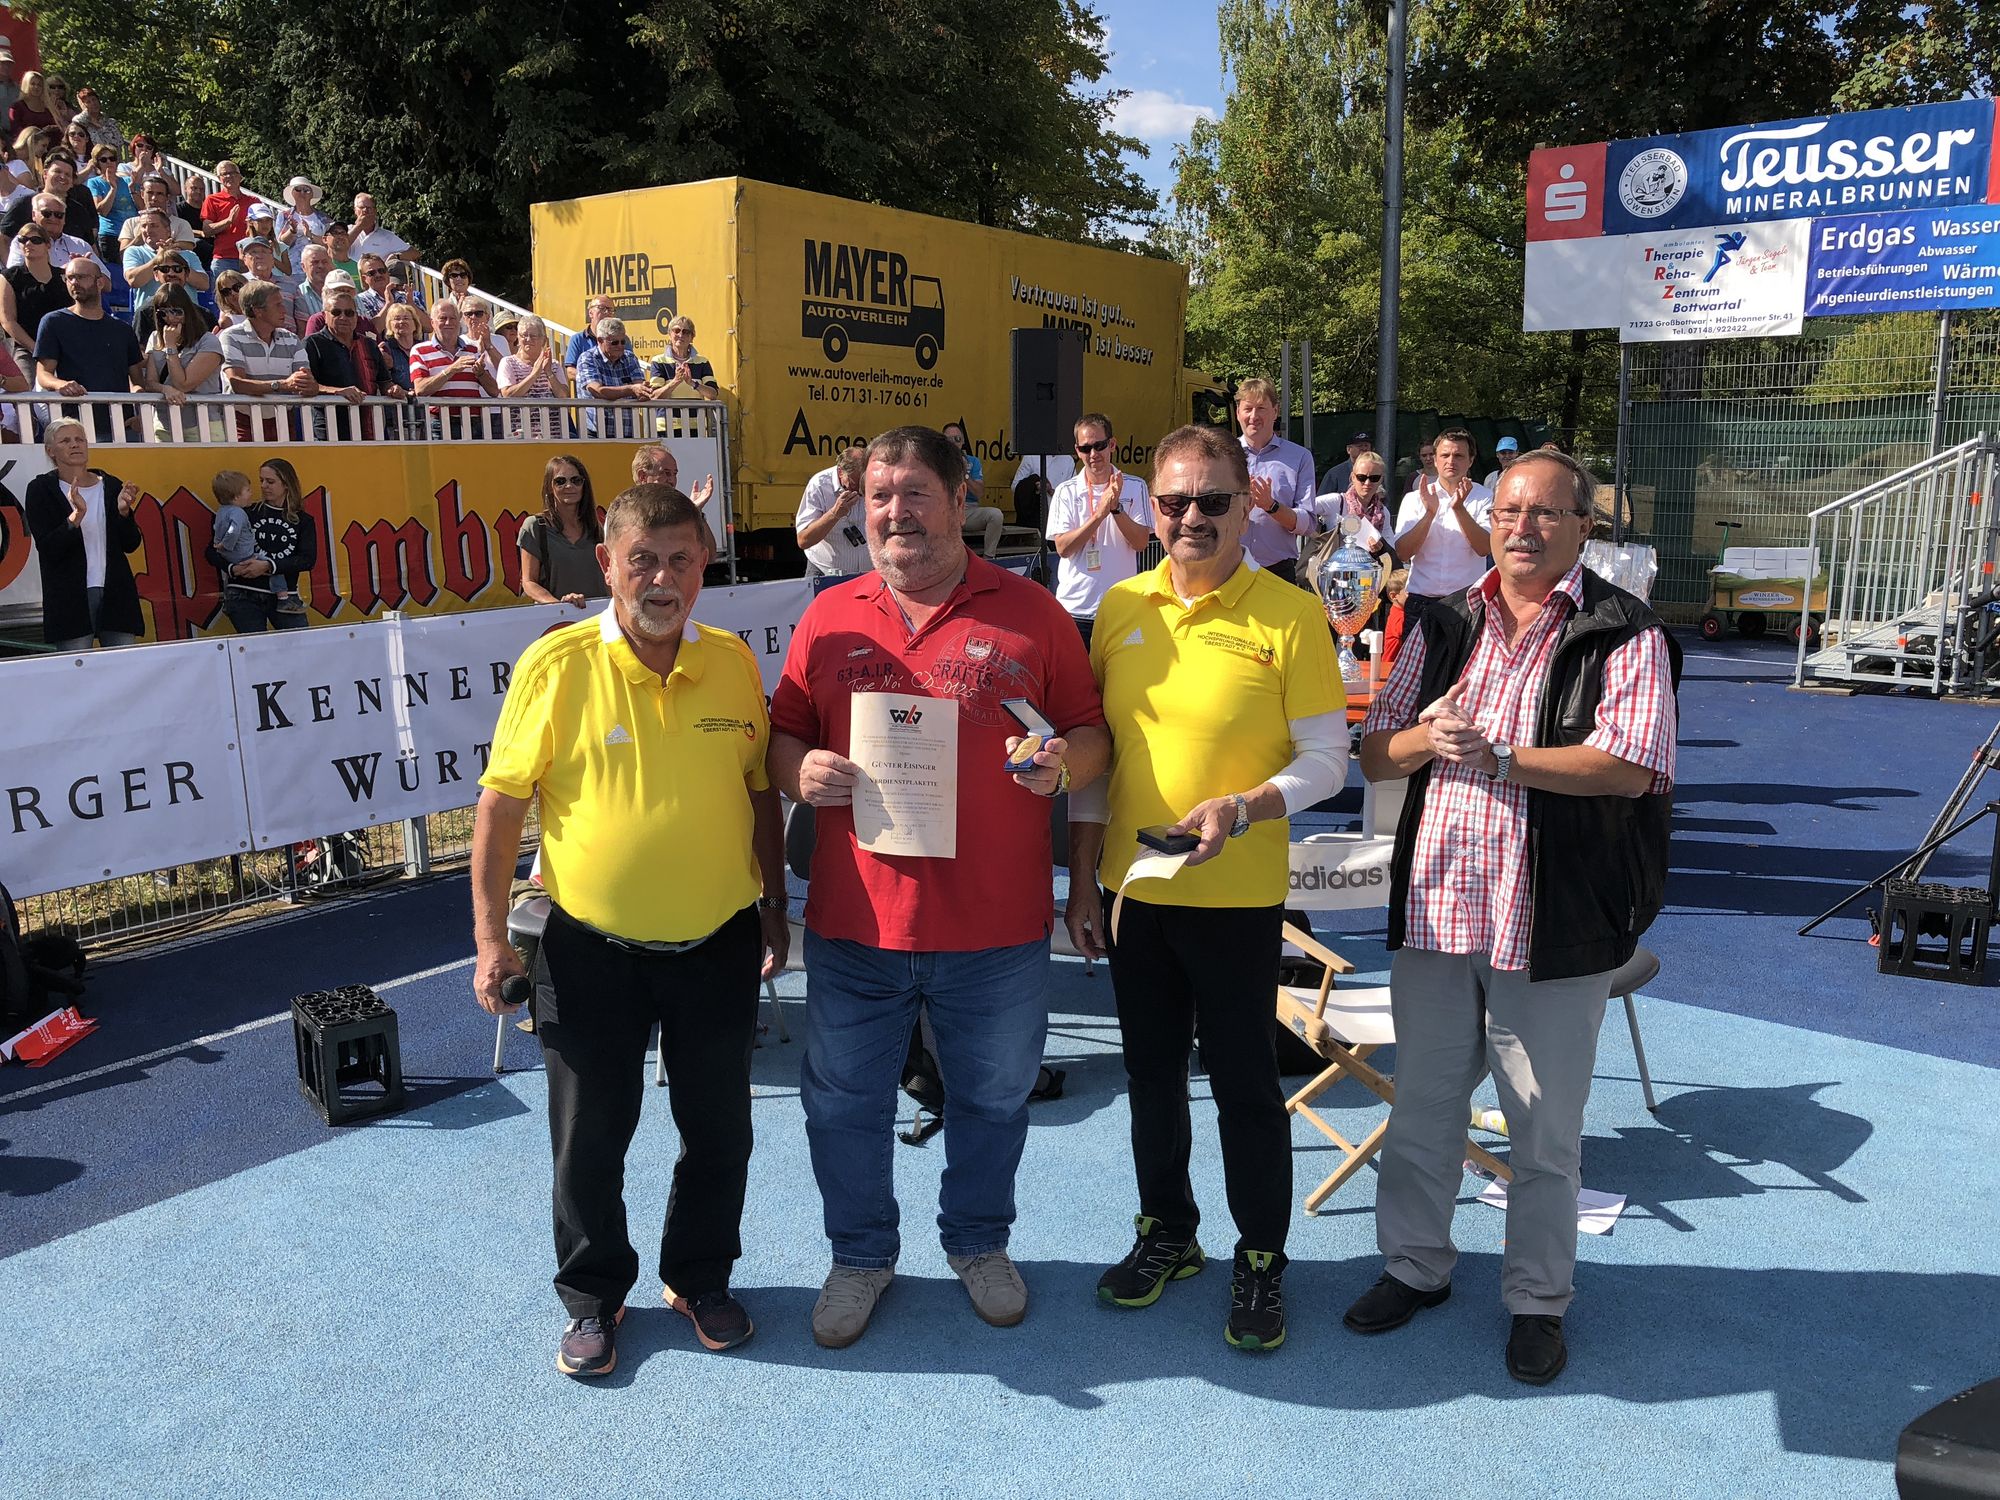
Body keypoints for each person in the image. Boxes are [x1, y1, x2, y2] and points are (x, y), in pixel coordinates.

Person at [768, 425, 1110, 1350]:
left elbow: (1090, 733)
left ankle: (978, 1242)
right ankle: (860, 1255)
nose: (895, 513)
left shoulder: (1031, 612)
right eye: (879, 496)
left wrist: (1062, 766)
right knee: (843, 1105)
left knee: (992, 1102)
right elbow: (784, 736)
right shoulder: (829, 615)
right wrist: (799, 771)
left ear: (961, 501)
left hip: (994, 928)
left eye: (915, 492)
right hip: (856, 923)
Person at [1347, 449, 1679, 1386]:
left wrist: (1498, 756)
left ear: (1583, 527)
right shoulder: (1444, 621)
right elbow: (1376, 754)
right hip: (1439, 909)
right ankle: (1415, 1267)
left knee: (1542, 1133)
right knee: (1423, 1110)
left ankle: (1537, 1301)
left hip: (1552, 918)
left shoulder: (1623, 631)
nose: (1522, 527)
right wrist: (1430, 737)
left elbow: (1631, 765)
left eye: (1545, 512)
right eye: (1508, 511)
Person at [474, 482, 789, 1377]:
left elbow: (758, 790)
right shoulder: (556, 663)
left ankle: (699, 1278)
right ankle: (592, 1295)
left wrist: (773, 904)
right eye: (642, 559)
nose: (662, 578)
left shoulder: (732, 660)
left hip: (718, 944)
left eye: (681, 560)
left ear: (705, 566)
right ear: (606, 564)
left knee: (720, 1132)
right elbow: (501, 808)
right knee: (588, 1140)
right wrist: (491, 941)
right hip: (590, 951)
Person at [1063, 422, 1345, 1353]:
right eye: (1176, 501)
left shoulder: (1290, 613)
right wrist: (1083, 881)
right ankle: (1169, 1233)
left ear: (1245, 504)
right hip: (1135, 893)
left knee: (1244, 1087)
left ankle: (1260, 1256)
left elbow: (1328, 759)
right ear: (1151, 507)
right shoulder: (1120, 607)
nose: (1193, 517)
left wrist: (1247, 805)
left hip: (1236, 898)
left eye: (1213, 501)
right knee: (1150, 1080)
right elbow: (1099, 761)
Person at [24, 418, 141, 649]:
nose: (75, 444)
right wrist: (76, 516)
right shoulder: (41, 489)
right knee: (77, 667)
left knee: (124, 666)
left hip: (116, 593)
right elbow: (48, 549)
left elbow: (131, 543)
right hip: (69, 599)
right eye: (65, 441)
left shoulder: (111, 485)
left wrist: (123, 513)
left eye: (80, 439)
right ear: (50, 451)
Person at [1044, 412, 1152, 646]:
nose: (1093, 454)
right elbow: (1063, 548)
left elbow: (1141, 542)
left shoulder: (1135, 486)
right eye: (1085, 448)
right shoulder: (1065, 491)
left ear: (1112, 444)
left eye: (1099, 446)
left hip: (1121, 609)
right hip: (1076, 610)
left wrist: (1115, 509)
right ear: (1077, 450)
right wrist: (1099, 514)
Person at [34, 257, 141, 440]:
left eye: (81, 277)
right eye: (69, 278)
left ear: (100, 282)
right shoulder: (53, 322)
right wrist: (61, 384)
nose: (74, 282)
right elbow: (43, 374)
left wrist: (139, 409)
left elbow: (136, 379)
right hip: (76, 427)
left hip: (123, 427)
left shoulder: (122, 330)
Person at [1392, 428, 1493, 620]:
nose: (1451, 461)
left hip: (1466, 602)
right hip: (1421, 601)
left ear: (1471, 460)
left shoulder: (1485, 497)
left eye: (1459, 455)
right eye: (1445, 455)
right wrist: (1429, 514)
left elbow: (1484, 548)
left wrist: (1459, 509)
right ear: (1435, 460)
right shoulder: (1415, 498)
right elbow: (1403, 553)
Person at [206, 458, 318, 631]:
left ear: (286, 484)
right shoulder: (246, 512)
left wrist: (268, 566)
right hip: (243, 593)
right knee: (254, 646)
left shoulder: (303, 520)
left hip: (285, 597)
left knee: (300, 644)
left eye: (270, 482)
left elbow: (307, 560)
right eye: (261, 481)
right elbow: (212, 551)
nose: (264, 486)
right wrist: (232, 569)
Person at [1234, 377, 1312, 586]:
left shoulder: (1300, 457)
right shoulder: (1222, 455)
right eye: (1248, 409)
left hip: (1277, 571)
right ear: (1238, 413)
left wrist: (1271, 506)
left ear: (1275, 411)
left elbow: (1307, 524)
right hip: (1228, 569)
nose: (1253, 416)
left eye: (1261, 408)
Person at [218, 278, 319, 441]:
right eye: (277, 305)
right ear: (258, 310)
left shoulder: (292, 339)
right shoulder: (230, 336)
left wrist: (310, 386)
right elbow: (237, 383)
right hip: (243, 423)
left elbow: (307, 383)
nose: (284, 310)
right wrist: (282, 385)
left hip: (284, 422)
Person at [517, 456, 608, 606]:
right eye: (560, 481)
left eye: (576, 480)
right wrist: (559, 607)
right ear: (549, 487)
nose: (569, 486)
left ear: (584, 485)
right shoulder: (535, 526)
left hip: (598, 614)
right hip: (555, 617)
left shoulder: (598, 529)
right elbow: (529, 582)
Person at [141, 287, 227, 442]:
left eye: (177, 312)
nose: (170, 318)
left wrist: (170, 346)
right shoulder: (155, 337)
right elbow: (150, 382)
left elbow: (183, 385)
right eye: (163, 313)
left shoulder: (208, 341)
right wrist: (165, 389)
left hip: (202, 424)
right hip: (164, 424)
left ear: (188, 311)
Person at [303, 281, 387, 438]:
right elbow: (305, 385)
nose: (343, 317)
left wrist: (393, 390)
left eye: (349, 313)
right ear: (324, 315)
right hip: (330, 432)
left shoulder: (369, 344)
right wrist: (337, 391)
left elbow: (384, 382)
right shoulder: (312, 343)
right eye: (336, 312)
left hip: (371, 430)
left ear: (356, 316)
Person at [410, 297, 500, 438]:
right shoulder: (419, 350)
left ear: (458, 322)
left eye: (452, 318)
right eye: (443, 318)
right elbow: (420, 389)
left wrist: (481, 374)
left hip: (474, 421)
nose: (448, 323)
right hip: (440, 422)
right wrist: (451, 369)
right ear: (432, 323)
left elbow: (494, 391)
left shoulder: (472, 350)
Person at [574, 316, 661, 438]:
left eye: (623, 341)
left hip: (628, 431)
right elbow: (597, 391)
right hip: (595, 433)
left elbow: (639, 388)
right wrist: (631, 389)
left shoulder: (630, 358)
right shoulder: (587, 358)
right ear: (600, 340)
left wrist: (645, 390)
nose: (620, 346)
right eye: (614, 342)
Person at [792, 444, 871, 577]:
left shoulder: (877, 482)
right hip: (824, 573)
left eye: (864, 487)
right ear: (840, 472)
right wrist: (834, 514)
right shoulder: (819, 485)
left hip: (866, 575)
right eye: (853, 486)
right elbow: (804, 540)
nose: (859, 493)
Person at [0, 221, 70, 358]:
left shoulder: (63, 276)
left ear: (48, 245)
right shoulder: (9, 277)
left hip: (66, 345)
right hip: (26, 348)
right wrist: (37, 350)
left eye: (35, 240)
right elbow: (8, 321)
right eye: (23, 240)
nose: (28, 244)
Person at [122, 209, 204, 324]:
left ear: (168, 230)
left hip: (187, 317)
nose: (147, 230)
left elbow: (204, 284)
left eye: (153, 226)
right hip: (150, 317)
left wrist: (175, 261)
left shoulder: (188, 255)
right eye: (143, 226)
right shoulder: (134, 252)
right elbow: (134, 280)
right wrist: (159, 258)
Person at [498, 313, 569, 439]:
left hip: (553, 436)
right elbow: (508, 394)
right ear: (518, 338)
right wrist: (534, 374)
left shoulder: (554, 365)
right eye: (524, 335)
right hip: (520, 437)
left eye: (533, 336)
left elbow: (563, 396)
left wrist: (549, 372)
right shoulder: (508, 362)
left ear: (544, 340)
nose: (528, 339)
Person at [942, 419, 1003, 556]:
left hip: (968, 509)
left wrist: (964, 474)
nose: (953, 443)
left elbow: (979, 493)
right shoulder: (936, 462)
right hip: (946, 509)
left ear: (963, 441)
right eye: (949, 440)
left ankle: (989, 558)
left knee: (996, 515)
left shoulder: (972, 461)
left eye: (957, 439)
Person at [200, 160, 256, 273]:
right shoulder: (212, 200)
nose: (229, 176)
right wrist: (228, 221)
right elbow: (206, 231)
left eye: (233, 173)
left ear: (240, 177)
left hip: (250, 256)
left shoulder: (253, 201)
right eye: (224, 174)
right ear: (219, 178)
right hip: (224, 258)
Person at [240, 236, 306, 331]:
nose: (259, 256)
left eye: (264, 251)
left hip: (288, 337)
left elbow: (302, 320)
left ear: (272, 258)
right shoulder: (239, 283)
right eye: (253, 252)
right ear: (245, 260)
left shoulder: (290, 284)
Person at [646, 314, 718, 399]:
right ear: (669, 335)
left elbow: (713, 394)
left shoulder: (703, 362)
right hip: (668, 408)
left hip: (695, 408)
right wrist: (675, 381)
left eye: (686, 332)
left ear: (692, 337)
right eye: (676, 331)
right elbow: (654, 396)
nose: (680, 335)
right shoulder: (659, 361)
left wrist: (692, 383)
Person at [348, 192, 415, 264]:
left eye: (369, 208)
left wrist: (396, 256)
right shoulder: (344, 230)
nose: (365, 210)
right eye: (361, 207)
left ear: (375, 211)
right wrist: (359, 226)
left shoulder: (387, 236)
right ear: (355, 210)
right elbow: (340, 246)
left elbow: (414, 253)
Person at [563, 295, 614, 387]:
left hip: (617, 392)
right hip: (589, 393)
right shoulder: (577, 339)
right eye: (602, 308)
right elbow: (570, 372)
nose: (607, 312)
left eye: (610, 310)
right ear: (591, 313)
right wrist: (594, 379)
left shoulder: (621, 339)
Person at [274, 177, 327, 265]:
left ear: (311, 195)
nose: (302, 193)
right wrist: (292, 231)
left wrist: (310, 235)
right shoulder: (284, 216)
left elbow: (329, 243)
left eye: (306, 190)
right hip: (291, 268)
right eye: (298, 189)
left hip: (318, 266)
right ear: (292, 194)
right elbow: (279, 245)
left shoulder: (323, 218)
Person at [1318, 430, 1373, 496]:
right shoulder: (1335, 474)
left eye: (1366, 445)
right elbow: (1321, 500)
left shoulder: (1376, 471)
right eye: (1359, 446)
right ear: (1349, 449)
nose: (1364, 448)